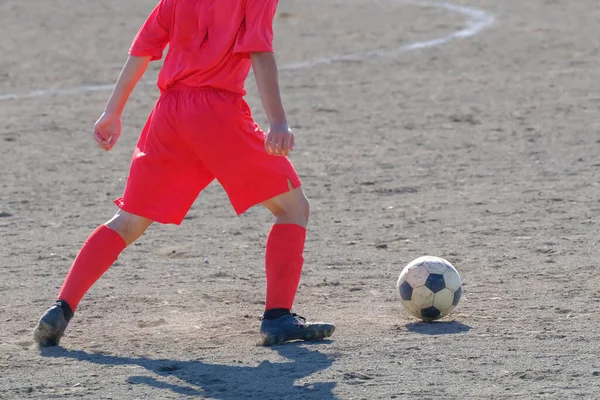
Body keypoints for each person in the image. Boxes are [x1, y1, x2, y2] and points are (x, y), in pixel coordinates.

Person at [33, 0, 335, 347]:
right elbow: (259, 53)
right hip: (218, 113)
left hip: (169, 115)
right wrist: (278, 121)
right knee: (292, 208)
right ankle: (278, 317)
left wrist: (112, 111)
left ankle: (62, 307)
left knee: (128, 220)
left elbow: (141, 51)